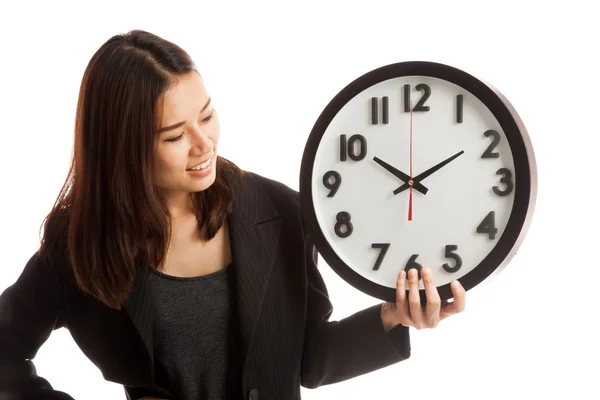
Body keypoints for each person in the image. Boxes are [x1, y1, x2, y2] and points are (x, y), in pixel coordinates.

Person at [0, 30, 466, 400]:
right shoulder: (79, 243)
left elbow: (309, 359)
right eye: (173, 136)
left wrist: (394, 317)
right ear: (122, 147)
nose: (204, 145)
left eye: (206, 116)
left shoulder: (280, 211)